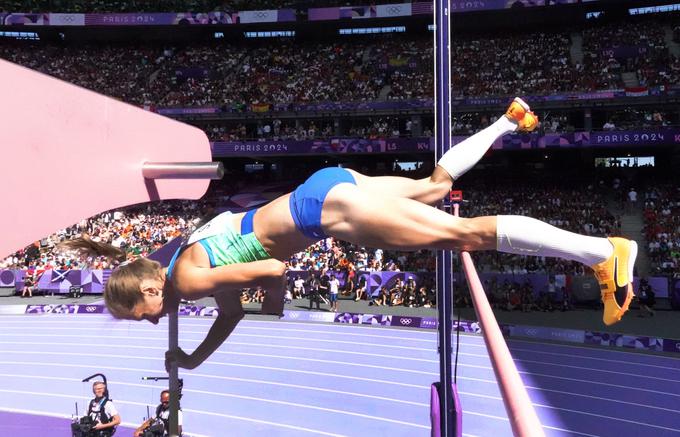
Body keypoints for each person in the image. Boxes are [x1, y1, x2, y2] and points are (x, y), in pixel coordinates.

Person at [61, 98, 637, 373]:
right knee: (435, 187)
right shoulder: (188, 262)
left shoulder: (187, 276)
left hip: (322, 211)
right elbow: (232, 313)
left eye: (138, 315)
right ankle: (509, 120)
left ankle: (603, 253)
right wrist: (193, 359)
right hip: (323, 186)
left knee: (464, 235)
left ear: (148, 292)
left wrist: (276, 307)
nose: (146, 322)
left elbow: (271, 273)